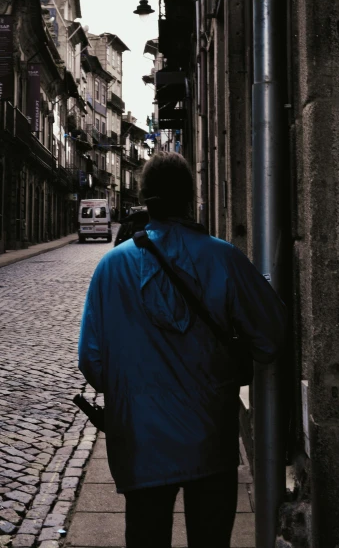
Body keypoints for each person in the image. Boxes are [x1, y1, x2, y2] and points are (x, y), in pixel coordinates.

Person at [78, 151, 287, 548]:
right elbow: (270, 337)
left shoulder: (110, 269)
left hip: (140, 442)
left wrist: (134, 389)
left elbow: (92, 362)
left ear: (146, 199)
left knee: (146, 536)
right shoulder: (223, 258)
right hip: (209, 436)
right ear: (190, 199)